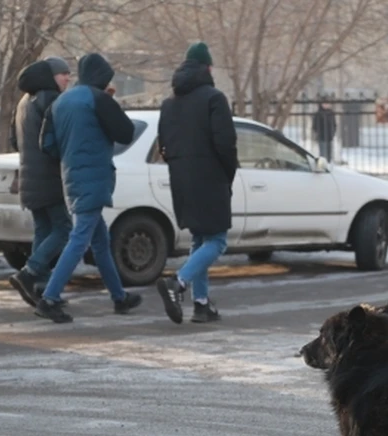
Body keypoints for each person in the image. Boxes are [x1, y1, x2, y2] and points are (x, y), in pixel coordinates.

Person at [35, 53, 142, 323]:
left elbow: (46, 145)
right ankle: (49, 298)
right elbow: (126, 132)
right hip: (94, 176)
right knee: (80, 238)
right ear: (102, 77)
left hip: (70, 174)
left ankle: (119, 297)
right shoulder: (98, 98)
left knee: (100, 241)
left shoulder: (61, 102)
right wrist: (109, 103)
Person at [155, 42, 238, 325]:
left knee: (201, 239)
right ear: (208, 68)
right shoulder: (214, 99)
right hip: (211, 177)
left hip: (181, 179)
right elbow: (226, 144)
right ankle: (178, 283)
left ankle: (201, 305)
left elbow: (163, 146)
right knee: (217, 240)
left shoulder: (168, 104)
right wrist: (227, 174)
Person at [7, 56, 72, 307]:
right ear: (50, 77)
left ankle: (39, 289)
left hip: (29, 177)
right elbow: (58, 139)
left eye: (68, 74)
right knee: (64, 229)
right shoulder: (49, 99)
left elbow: (14, 141)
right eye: (62, 74)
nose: (67, 78)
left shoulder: (24, 102)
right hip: (48, 177)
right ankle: (30, 272)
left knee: (44, 230)